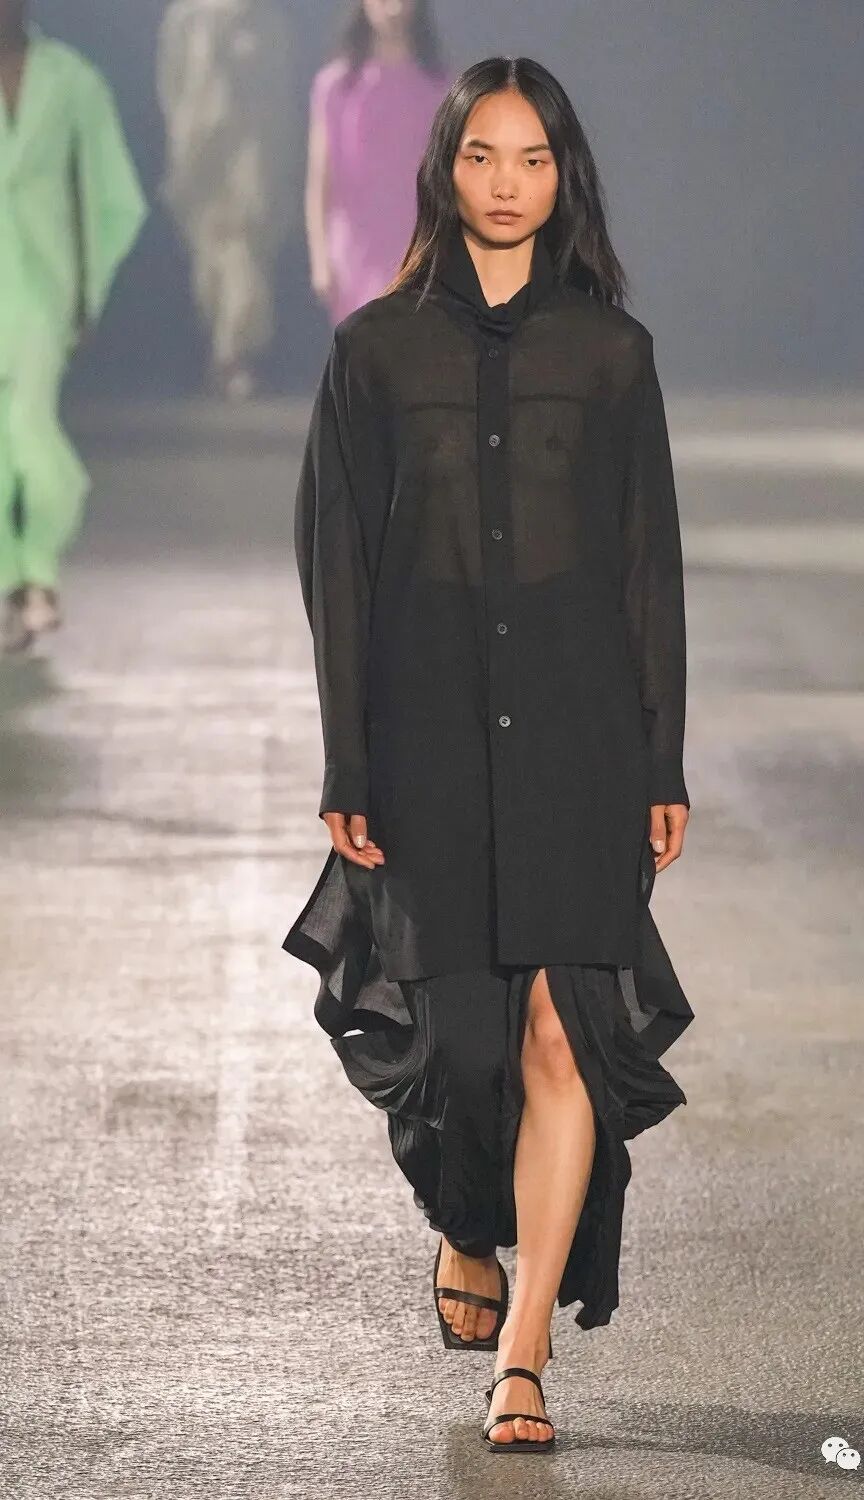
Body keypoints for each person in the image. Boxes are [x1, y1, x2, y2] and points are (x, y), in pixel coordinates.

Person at [283, 56, 695, 1452]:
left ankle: (523, 1353)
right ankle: (466, 1222)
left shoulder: (612, 354)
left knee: (563, 1034)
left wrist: (661, 761)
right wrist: (347, 761)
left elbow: (648, 567)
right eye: (480, 156)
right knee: (460, 1052)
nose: (506, 184)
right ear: (442, 170)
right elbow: (338, 566)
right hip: (428, 733)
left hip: (580, 734)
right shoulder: (373, 354)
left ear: (563, 175)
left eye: (531, 158)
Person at [0, 2, 146, 655]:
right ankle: (17, 581)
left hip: (42, 286)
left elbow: (110, 192)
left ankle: (38, 569)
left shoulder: (72, 79)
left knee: (29, 425)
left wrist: (89, 293)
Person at [156, 0, 295, 400]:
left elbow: (279, 91)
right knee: (209, 257)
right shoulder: (185, 19)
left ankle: (234, 355)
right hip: (199, 153)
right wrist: (184, 136)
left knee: (243, 249)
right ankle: (222, 349)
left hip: (251, 153)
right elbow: (170, 82)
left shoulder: (266, 21)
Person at [305, 0, 450, 327]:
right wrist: (320, 257)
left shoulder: (439, 87)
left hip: (419, 247)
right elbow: (320, 181)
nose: (395, 9)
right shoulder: (335, 87)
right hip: (355, 254)